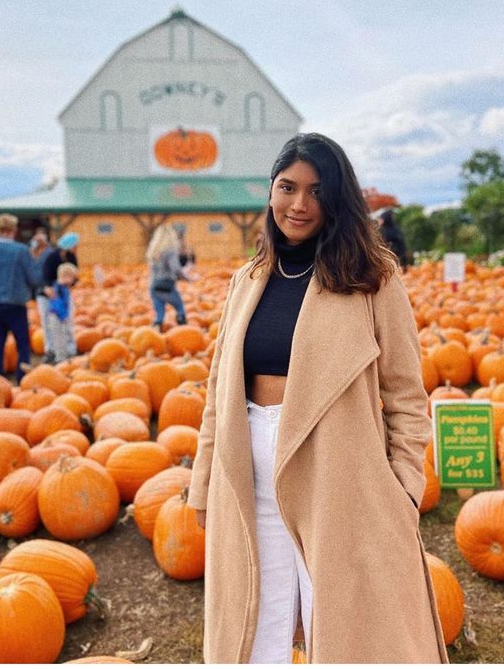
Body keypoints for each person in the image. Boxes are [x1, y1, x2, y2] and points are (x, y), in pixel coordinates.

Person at [187, 133, 447, 663]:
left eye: (316, 191)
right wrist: (203, 483)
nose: (299, 204)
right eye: (288, 187)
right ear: (271, 191)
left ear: (337, 200)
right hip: (249, 471)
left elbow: (405, 394)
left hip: (340, 475)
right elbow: (220, 393)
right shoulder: (249, 278)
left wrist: (403, 488)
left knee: (346, 629)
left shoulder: (372, 278)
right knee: (256, 626)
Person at [0, 213, 42, 382]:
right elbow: (34, 278)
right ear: (14, 230)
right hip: (16, 302)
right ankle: (22, 380)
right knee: (22, 344)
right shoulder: (21, 250)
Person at [36, 232, 80, 362]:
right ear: (68, 245)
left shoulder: (72, 257)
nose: (76, 248)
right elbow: (43, 276)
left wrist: (69, 284)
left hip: (63, 294)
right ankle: (51, 350)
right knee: (49, 323)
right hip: (47, 295)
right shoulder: (51, 257)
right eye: (75, 245)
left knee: (67, 321)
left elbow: (75, 275)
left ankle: (69, 349)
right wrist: (49, 288)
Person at [146, 224, 194, 331]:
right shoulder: (171, 251)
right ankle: (184, 331)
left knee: (159, 313)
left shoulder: (153, 251)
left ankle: (156, 332)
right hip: (167, 284)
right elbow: (176, 269)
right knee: (180, 307)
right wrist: (188, 278)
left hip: (154, 286)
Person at [44, 262, 79, 363]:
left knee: (63, 337)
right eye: (72, 278)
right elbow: (57, 303)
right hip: (57, 316)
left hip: (60, 315)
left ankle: (63, 356)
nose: (73, 281)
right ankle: (60, 358)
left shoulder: (63, 288)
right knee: (59, 337)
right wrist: (64, 316)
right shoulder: (58, 288)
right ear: (66, 276)